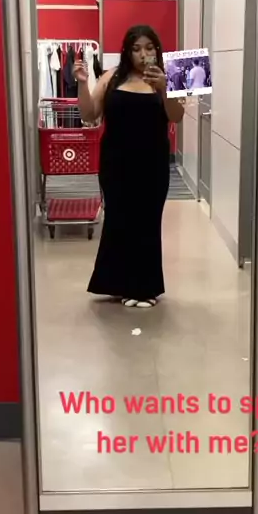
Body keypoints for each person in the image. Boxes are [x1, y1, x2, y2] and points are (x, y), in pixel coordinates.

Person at [74, 25, 184, 309]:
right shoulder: (112, 77)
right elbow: (89, 114)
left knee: (147, 221)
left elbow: (177, 116)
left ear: (157, 50)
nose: (143, 54)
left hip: (152, 164)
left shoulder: (171, 76)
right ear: (127, 52)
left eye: (149, 47)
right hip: (116, 163)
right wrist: (82, 83)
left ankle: (145, 288)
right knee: (119, 220)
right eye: (136, 49)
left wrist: (165, 88)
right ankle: (118, 284)